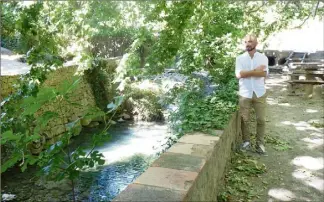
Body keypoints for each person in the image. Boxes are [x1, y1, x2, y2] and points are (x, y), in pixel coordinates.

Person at [235, 34, 269, 154]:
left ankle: (260, 145)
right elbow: (239, 75)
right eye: (245, 42)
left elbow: (264, 74)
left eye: (250, 41)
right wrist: (256, 71)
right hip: (245, 93)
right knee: (245, 119)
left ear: (256, 43)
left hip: (259, 92)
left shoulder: (263, 58)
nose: (247, 44)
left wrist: (247, 72)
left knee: (261, 120)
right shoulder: (239, 58)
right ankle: (246, 142)